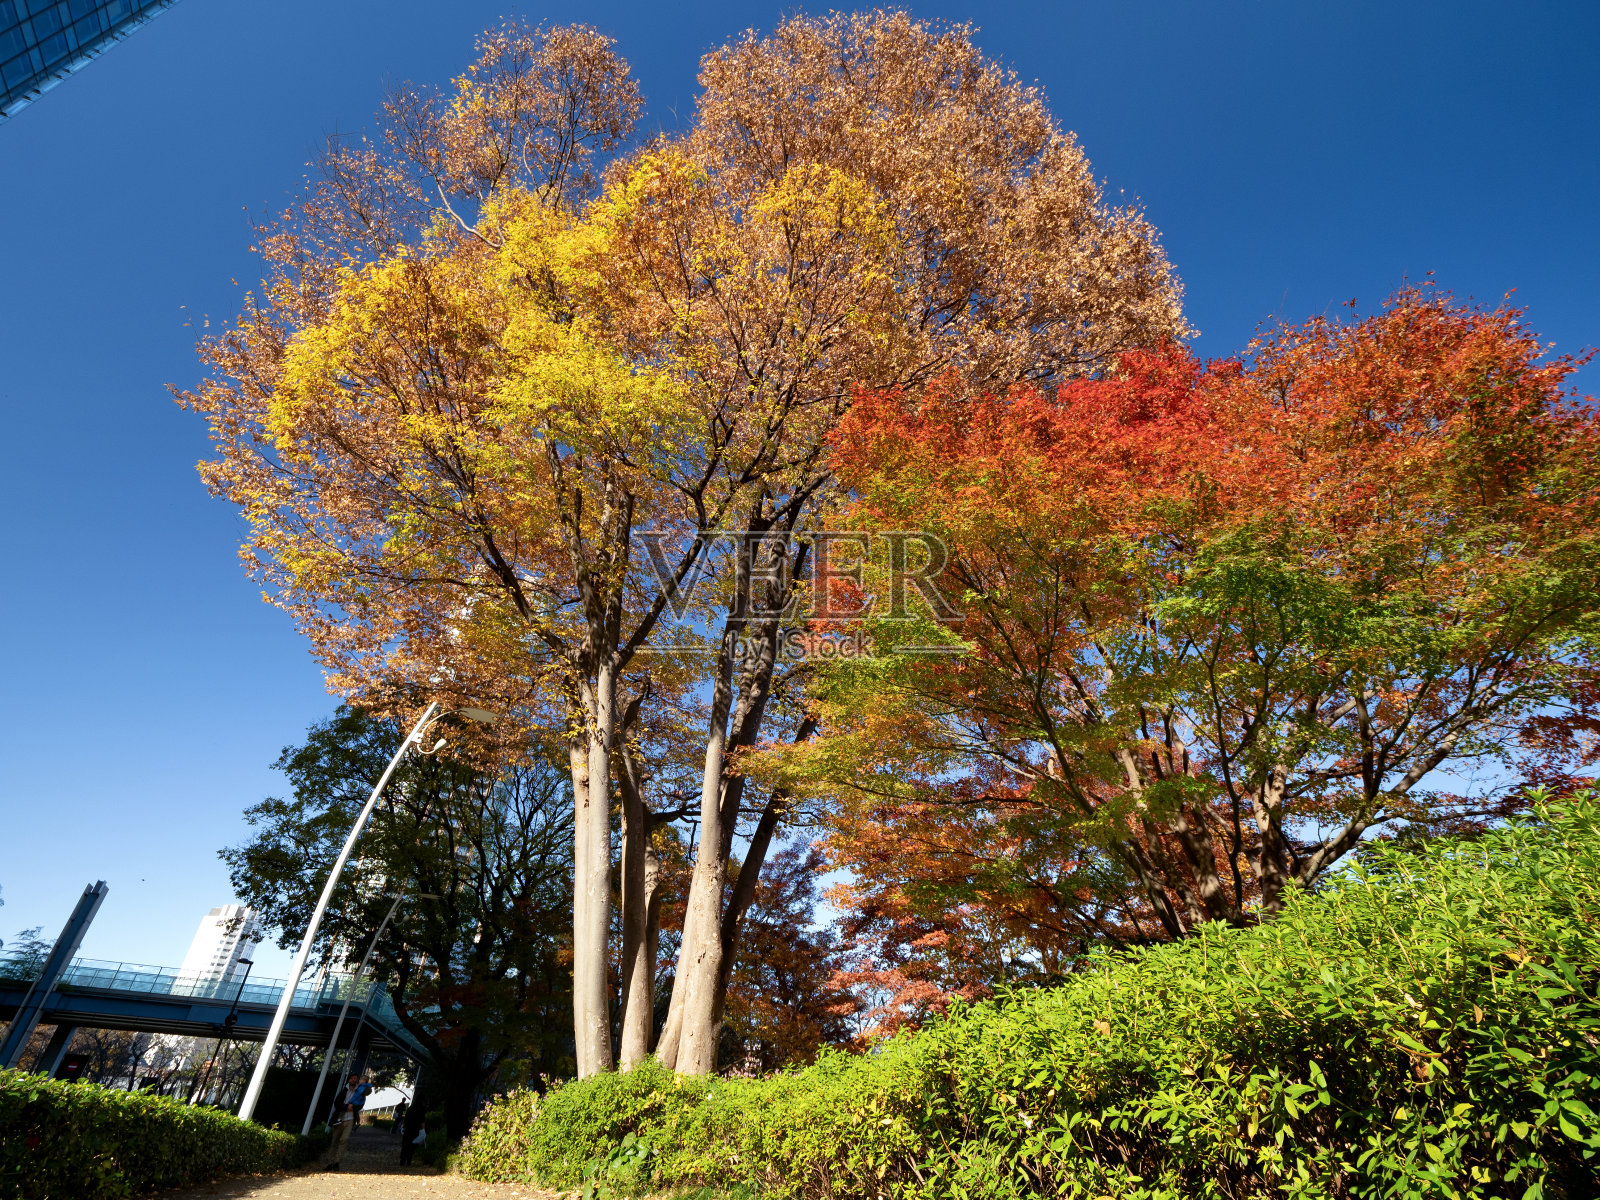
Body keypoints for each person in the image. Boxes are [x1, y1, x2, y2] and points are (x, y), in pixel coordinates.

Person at [324, 1073, 372, 1171]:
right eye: (352, 1078)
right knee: (334, 1141)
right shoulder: (343, 1091)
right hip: (339, 1119)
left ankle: (336, 1162)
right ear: (349, 1079)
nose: (354, 1080)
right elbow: (337, 1103)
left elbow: (362, 1103)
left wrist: (353, 1107)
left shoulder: (360, 1091)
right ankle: (330, 1162)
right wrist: (346, 1107)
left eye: (355, 1078)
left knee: (344, 1140)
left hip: (350, 1119)